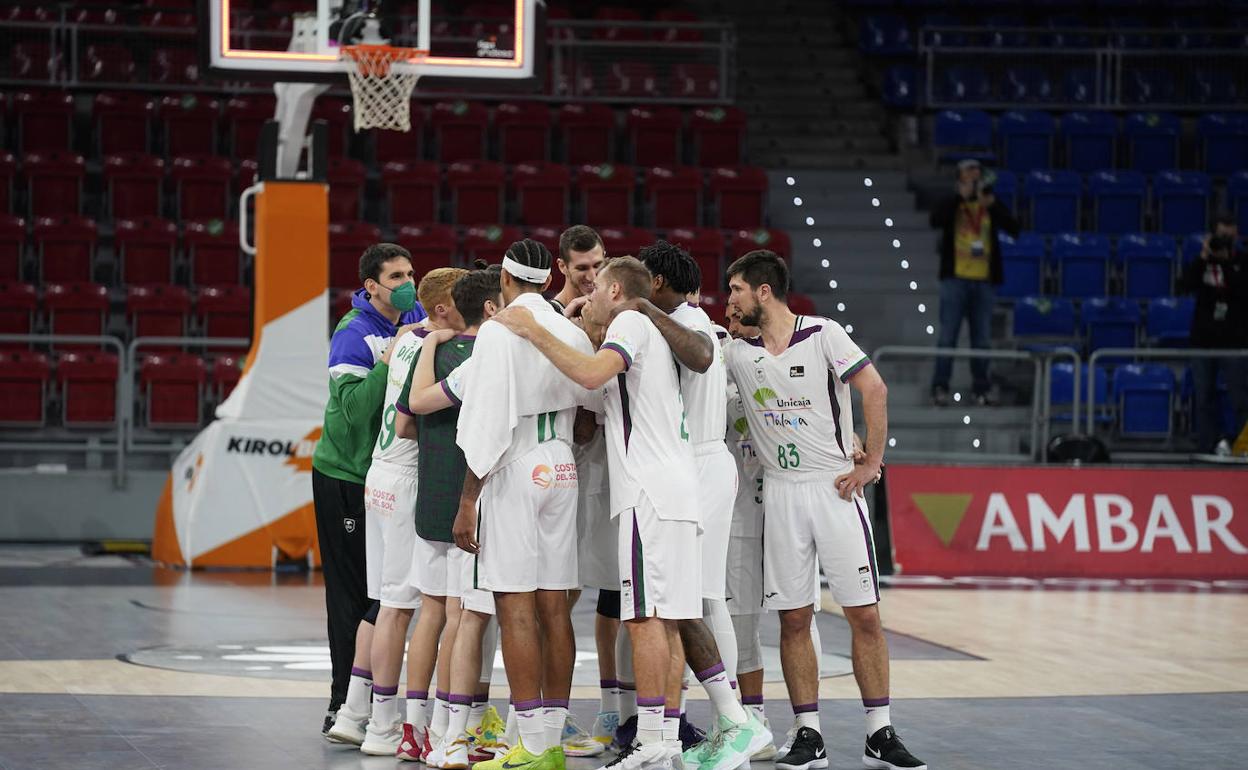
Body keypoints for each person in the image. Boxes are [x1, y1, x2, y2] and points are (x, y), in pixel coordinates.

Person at [493, 256, 769, 770]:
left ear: (615, 289)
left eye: (596, 286)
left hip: (651, 492)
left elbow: (592, 370)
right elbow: (591, 393)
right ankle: (665, 736)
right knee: (667, 619)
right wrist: (571, 329)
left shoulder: (631, 322)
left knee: (644, 619)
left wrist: (534, 329)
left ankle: (668, 735)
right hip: (677, 488)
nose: (590, 294)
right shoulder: (646, 333)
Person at [722, 251, 926, 770]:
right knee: (793, 619)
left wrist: (872, 462)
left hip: (833, 487)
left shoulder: (823, 334)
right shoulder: (737, 352)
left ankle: (879, 731)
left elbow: (874, 388)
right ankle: (807, 732)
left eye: (736, 290)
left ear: (763, 292)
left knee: (864, 614)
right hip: (782, 493)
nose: (730, 300)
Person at [431, 240, 596, 770]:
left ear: (503, 277)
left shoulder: (500, 331)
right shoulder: (568, 330)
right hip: (562, 465)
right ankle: (552, 739)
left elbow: (486, 423)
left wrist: (467, 501)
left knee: (515, 606)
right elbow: (592, 413)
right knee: (556, 606)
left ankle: (529, 742)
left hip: (516, 464)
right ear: (550, 280)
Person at [632, 242, 772, 769]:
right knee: (697, 597)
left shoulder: (685, 333)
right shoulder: (703, 322)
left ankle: (734, 724)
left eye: (645, 282)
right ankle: (714, 721)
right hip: (704, 464)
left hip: (697, 463)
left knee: (703, 597)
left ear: (660, 283)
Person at [395, 266, 507, 766]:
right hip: (474, 499)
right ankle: (450, 732)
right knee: (466, 617)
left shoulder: (430, 349)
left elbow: (407, 421)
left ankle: (411, 729)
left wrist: (422, 346)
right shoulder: (492, 352)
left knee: (430, 613)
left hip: (430, 497)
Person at [314, 243, 426, 738]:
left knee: (388, 592)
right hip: (344, 476)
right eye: (396, 276)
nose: (407, 283)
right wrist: (395, 356)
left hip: (386, 476)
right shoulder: (353, 333)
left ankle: (377, 700)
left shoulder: (417, 313)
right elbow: (356, 408)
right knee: (354, 595)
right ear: (371, 286)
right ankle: (342, 703)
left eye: (410, 272)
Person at [352, 268, 465, 754]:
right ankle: (383, 727)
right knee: (401, 608)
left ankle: (368, 714)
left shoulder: (403, 339)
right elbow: (408, 425)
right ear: (444, 307)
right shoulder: (435, 347)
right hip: (405, 479)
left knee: (383, 604)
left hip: (378, 478)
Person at [549, 225, 624, 750]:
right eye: (581, 268)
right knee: (559, 590)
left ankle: (611, 709)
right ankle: (551, 711)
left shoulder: (620, 313)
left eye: (598, 264)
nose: (592, 275)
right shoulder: (549, 318)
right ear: (562, 269)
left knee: (617, 589)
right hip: (561, 467)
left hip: (614, 464)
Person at [928, 159, 1020, 406]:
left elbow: (1014, 228)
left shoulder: (989, 202)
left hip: (984, 282)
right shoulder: (953, 203)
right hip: (955, 280)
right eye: (969, 177)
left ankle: (981, 387)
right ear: (959, 180)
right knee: (948, 336)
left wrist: (992, 204)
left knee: (982, 339)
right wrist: (961, 198)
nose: (974, 181)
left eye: (977, 177)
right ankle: (940, 386)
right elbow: (935, 219)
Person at [1181, 213, 1248, 456]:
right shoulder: (1202, 261)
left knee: (1241, 399)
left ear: (1237, 235)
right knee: (1204, 398)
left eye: (1230, 237)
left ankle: (1243, 449)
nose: (1226, 241)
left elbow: (1242, 290)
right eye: (1221, 237)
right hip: (1203, 341)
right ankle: (1207, 448)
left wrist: (1226, 262)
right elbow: (1184, 285)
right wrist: (1203, 257)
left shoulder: (1243, 260)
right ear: (1212, 236)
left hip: (1235, 341)